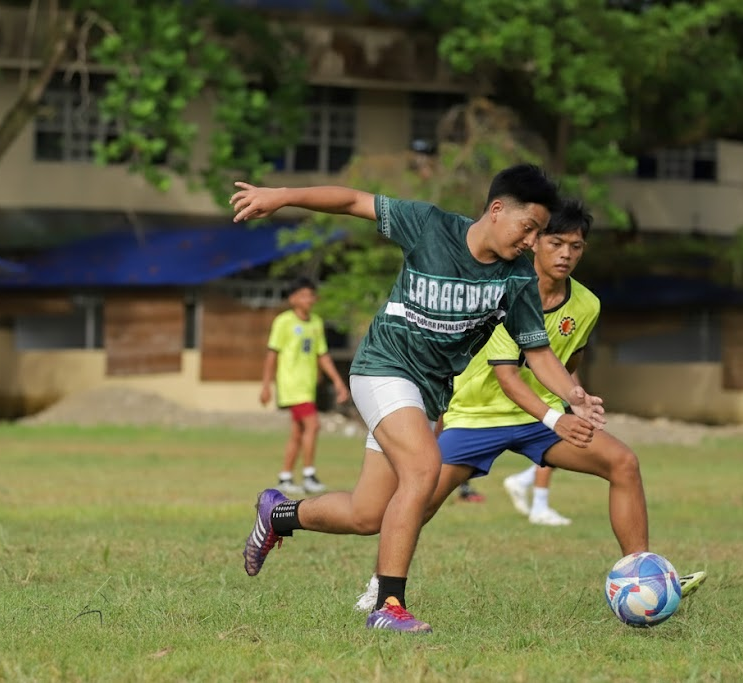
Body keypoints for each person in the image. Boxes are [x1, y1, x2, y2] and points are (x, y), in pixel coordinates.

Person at [231, 164, 607, 634]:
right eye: (528, 228)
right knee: (424, 469)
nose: (531, 241)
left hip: (426, 393)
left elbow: (538, 353)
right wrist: (283, 196)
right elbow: (353, 201)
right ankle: (388, 606)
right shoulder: (430, 226)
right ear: (496, 211)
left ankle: (279, 513)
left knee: (367, 514)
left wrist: (574, 394)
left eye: (538, 232)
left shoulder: (516, 281)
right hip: (383, 368)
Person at [353, 198, 706, 611]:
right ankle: (381, 585)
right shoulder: (506, 286)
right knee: (421, 496)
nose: (566, 254)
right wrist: (558, 416)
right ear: (535, 241)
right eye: (556, 243)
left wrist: (579, 402)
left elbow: (566, 363)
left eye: (576, 246)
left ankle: (642, 575)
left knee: (623, 463)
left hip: (539, 420)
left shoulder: (587, 305)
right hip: (476, 418)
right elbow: (507, 377)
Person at [260, 277, 350, 495]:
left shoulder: (316, 323)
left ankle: (285, 478)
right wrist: (266, 385)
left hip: (307, 387)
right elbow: (272, 355)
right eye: (303, 294)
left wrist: (338, 382)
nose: (309, 299)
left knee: (298, 433)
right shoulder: (284, 322)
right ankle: (309, 476)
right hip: (292, 386)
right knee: (313, 426)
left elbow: (323, 355)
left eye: (311, 294)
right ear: (293, 299)